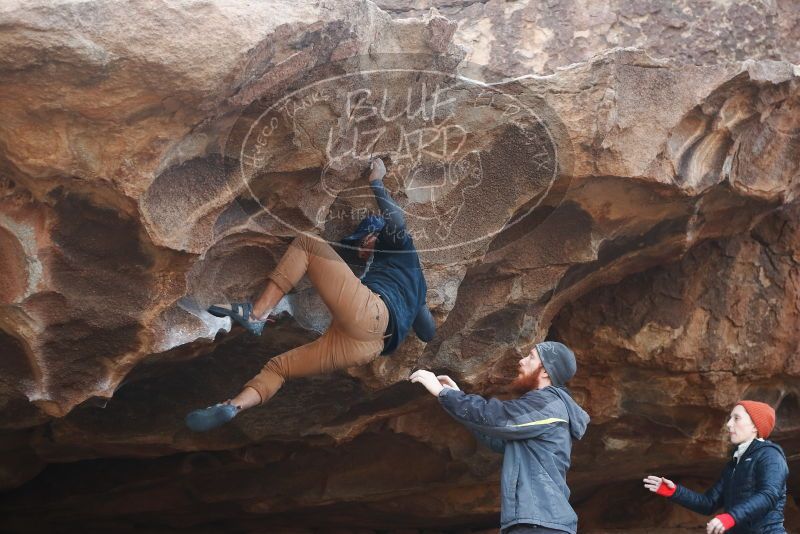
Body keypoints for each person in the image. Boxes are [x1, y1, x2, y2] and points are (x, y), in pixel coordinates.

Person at [186, 158, 435, 431]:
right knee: (278, 368)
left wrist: (376, 180)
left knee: (307, 243)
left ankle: (257, 313)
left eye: (364, 241)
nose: (362, 251)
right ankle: (233, 406)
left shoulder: (399, 247)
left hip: (371, 315)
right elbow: (427, 332)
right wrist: (413, 305)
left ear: (376, 234)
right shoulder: (417, 284)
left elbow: (396, 223)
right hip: (365, 347)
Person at [410, 341, 590, 534]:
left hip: (541, 524)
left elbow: (498, 419)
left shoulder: (549, 404)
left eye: (530, 357)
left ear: (545, 371)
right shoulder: (543, 409)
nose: (521, 361)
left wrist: (443, 393)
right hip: (536, 523)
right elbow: (496, 438)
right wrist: (453, 396)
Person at [644, 400, 788, 533]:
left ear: (755, 426)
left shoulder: (770, 455)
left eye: (736, 418)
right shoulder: (733, 464)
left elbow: (769, 495)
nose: (729, 424)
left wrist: (730, 517)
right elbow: (709, 503)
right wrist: (674, 491)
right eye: (730, 418)